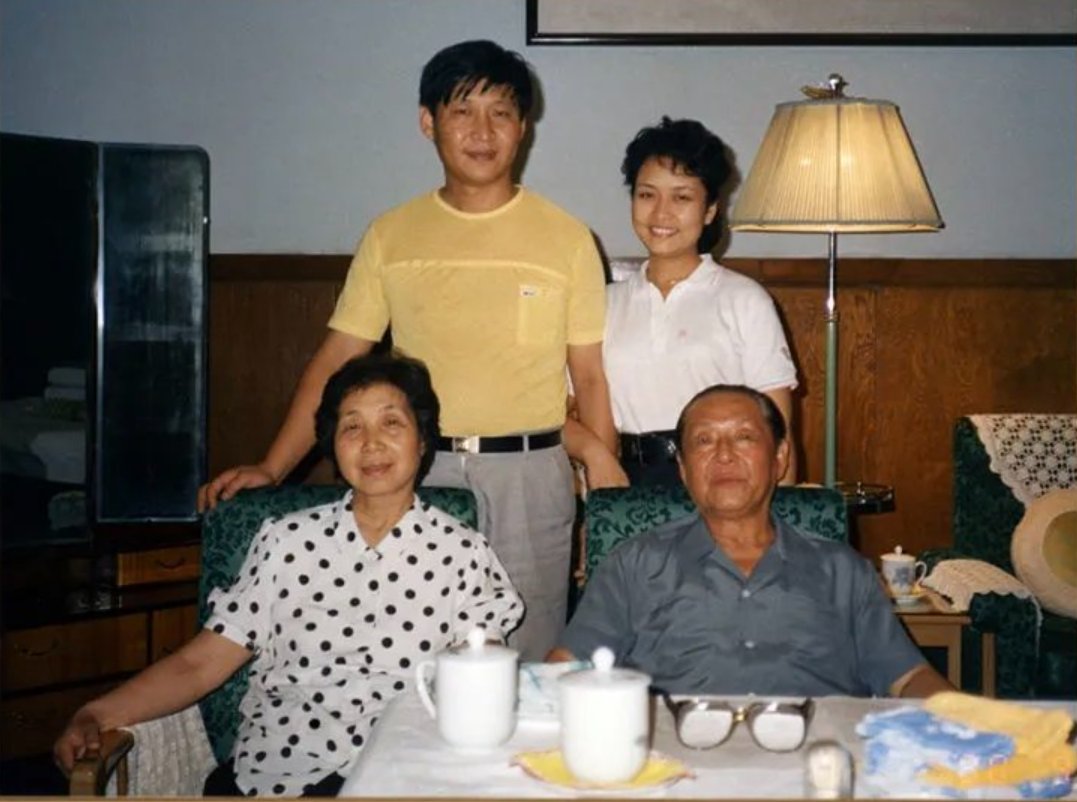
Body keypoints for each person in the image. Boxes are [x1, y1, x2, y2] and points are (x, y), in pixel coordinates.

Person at [198, 40, 616, 661]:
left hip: (531, 479)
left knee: (528, 666)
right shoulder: (391, 234)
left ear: (523, 128)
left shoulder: (567, 238)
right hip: (417, 473)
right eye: (462, 111)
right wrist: (272, 467)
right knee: (416, 660)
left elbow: (590, 377)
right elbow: (338, 357)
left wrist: (601, 496)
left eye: (501, 112)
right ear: (428, 122)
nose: (482, 131)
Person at [56, 353, 523, 797]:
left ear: (423, 442)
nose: (371, 442)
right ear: (332, 445)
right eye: (352, 426)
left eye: (392, 423)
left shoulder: (462, 552)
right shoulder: (286, 541)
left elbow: (482, 685)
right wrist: (97, 712)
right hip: (279, 772)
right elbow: (200, 663)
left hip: (397, 774)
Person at [550, 384, 952, 699]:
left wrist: (973, 723)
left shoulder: (842, 569)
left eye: (743, 437)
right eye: (704, 441)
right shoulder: (633, 564)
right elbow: (564, 669)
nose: (723, 455)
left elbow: (908, 676)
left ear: (779, 459)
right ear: (684, 470)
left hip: (816, 767)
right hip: (677, 768)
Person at [566, 118, 798, 489]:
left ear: (709, 211)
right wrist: (596, 457)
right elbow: (553, 411)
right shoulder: (604, 303)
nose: (661, 213)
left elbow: (778, 436)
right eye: (647, 195)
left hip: (723, 481)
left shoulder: (744, 299)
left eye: (682, 197)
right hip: (626, 483)